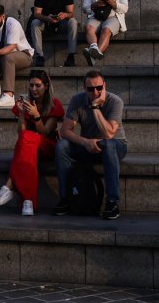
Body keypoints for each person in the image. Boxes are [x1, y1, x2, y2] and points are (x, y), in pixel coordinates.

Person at [53, 70, 127, 220]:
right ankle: (66, 198)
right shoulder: (77, 100)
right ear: (84, 89)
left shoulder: (115, 101)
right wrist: (85, 142)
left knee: (109, 144)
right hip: (88, 144)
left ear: (104, 86)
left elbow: (109, 134)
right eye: (90, 89)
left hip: (115, 145)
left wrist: (95, 107)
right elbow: (65, 131)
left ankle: (112, 202)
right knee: (62, 146)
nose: (96, 92)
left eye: (99, 87)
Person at [0, 70, 65, 216]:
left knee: (27, 140)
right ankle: (28, 202)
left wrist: (36, 116)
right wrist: (22, 114)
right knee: (26, 140)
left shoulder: (54, 104)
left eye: (38, 85)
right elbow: (21, 133)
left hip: (48, 147)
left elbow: (44, 132)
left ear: (46, 86)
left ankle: (9, 186)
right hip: (30, 147)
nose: (34, 89)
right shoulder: (27, 102)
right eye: (31, 85)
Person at [81, 0, 128, 66]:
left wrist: (114, 4)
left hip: (113, 17)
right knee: (88, 27)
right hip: (96, 16)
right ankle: (93, 47)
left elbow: (125, 8)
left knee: (106, 30)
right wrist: (95, 5)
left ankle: (93, 55)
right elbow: (85, 7)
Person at [29, 0, 78, 68]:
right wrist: (47, 18)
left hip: (62, 21)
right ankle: (39, 56)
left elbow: (71, 13)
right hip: (46, 21)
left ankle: (71, 55)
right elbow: (37, 13)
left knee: (73, 22)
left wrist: (65, 15)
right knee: (35, 23)